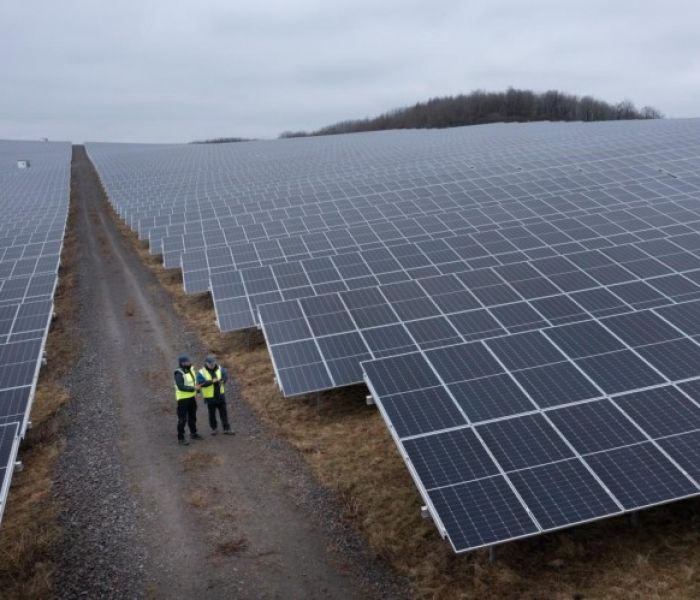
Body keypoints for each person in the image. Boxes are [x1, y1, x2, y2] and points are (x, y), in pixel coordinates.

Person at [196, 354, 233, 435]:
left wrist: (223, 381)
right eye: (210, 364)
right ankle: (214, 429)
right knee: (212, 414)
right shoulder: (201, 372)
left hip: (220, 395)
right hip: (210, 397)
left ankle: (227, 429)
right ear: (206, 363)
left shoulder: (220, 369)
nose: (212, 365)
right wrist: (213, 381)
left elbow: (225, 376)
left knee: (224, 413)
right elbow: (201, 384)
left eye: (213, 363)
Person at [174, 354, 203, 445]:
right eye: (186, 362)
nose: (189, 362)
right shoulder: (179, 373)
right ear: (182, 363)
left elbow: (193, 382)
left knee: (192, 416)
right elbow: (181, 386)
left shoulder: (191, 370)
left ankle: (193, 433)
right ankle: (181, 438)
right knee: (182, 419)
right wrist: (194, 389)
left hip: (191, 398)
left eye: (189, 361)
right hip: (182, 399)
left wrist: (197, 389)